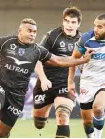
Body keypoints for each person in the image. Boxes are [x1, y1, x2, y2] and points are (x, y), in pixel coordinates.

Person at [0, 18, 94, 138]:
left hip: (17, 96)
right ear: (20, 31)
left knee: (2, 134)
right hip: (0, 84)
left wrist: (82, 60)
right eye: (29, 31)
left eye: (35, 32)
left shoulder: (38, 50)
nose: (32, 34)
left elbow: (59, 61)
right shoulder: (6, 42)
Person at [32, 6, 82, 138]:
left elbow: (84, 64)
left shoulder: (83, 41)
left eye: (73, 22)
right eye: (67, 21)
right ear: (63, 21)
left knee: (63, 115)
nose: (69, 25)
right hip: (46, 82)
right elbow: (36, 59)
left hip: (65, 83)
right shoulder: (52, 36)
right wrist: (42, 79)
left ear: (78, 24)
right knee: (39, 123)